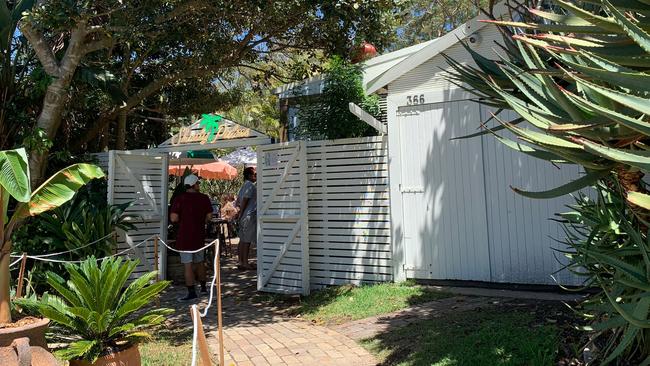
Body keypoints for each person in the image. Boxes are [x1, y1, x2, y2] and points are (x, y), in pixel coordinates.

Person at [170, 174, 213, 300]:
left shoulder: (180, 199)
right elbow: (209, 217)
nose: (199, 185)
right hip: (199, 235)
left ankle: (191, 292)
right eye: (198, 183)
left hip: (185, 236)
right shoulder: (204, 198)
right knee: (200, 262)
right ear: (194, 185)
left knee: (187, 264)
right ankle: (204, 288)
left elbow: (173, 218)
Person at [235, 166, 257, 270]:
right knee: (247, 240)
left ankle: (240, 261)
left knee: (242, 239)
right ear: (249, 175)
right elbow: (244, 200)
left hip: (244, 215)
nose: (255, 176)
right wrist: (241, 213)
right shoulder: (250, 185)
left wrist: (239, 213)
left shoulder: (244, 185)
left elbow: (238, 201)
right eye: (254, 174)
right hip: (248, 215)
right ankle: (245, 262)